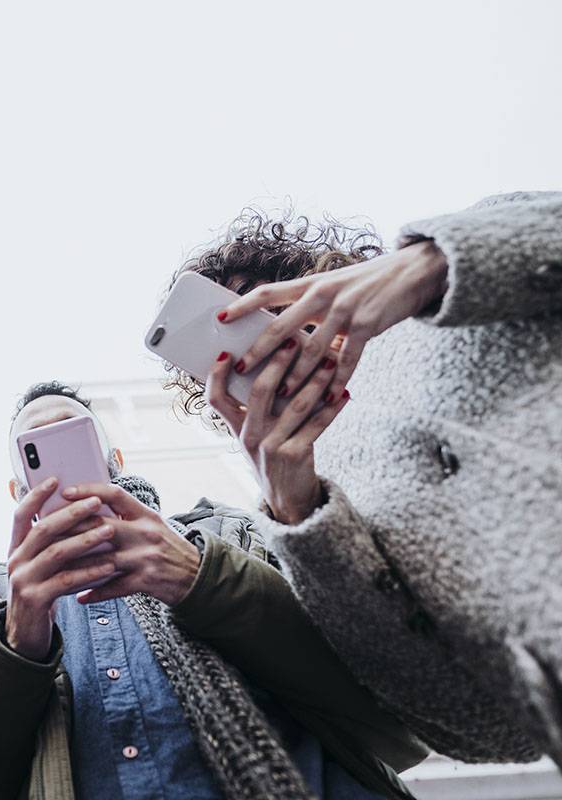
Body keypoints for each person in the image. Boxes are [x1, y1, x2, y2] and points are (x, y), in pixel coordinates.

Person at [161, 196, 562, 764]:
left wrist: (434, 265)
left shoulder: (447, 284)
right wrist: (301, 514)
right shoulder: (308, 504)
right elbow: (486, 733)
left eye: (259, 306)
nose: (259, 347)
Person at [0, 381, 426, 800]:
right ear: (17, 490)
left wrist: (201, 578)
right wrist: (17, 644)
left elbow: (379, 699)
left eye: (73, 436)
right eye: (37, 450)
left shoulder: (225, 533)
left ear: (114, 460)